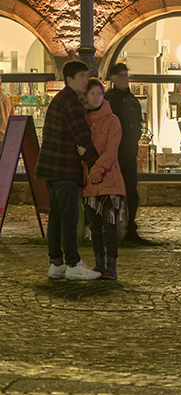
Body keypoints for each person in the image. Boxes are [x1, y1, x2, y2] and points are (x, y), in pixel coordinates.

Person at [39, 60, 100, 280]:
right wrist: (97, 164)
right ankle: (73, 264)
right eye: (82, 76)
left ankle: (56, 263)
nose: (86, 79)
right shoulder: (72, 103)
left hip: (51, 168)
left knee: (56, 217)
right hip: (64, 168)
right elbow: (81, 136)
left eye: (87, 75)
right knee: (69, 218)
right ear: (69, 80)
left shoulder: (60, 99)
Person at [80, 79, 127, 280]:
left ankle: (111, 265)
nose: (96, 97)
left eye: (99, 93)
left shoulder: (112, 120)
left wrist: (95, 170)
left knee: (110, 225)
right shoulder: (82, 121)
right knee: (95, 227)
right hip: (89, 184)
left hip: (110, 181)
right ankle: (99, 262)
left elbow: (111, 151)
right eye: (92, 93)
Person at [105, 62, 148, 244]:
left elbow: (138, 123)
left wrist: (135, 137)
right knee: (112, 194)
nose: (125, 79)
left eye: (126, 75)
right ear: (114, 78)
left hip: (129, 154)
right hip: (113, 155)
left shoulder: (132, 101)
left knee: (131, 193)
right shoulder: (108, 100)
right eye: (121, 75)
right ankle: (112, 230)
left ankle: (130, 228)